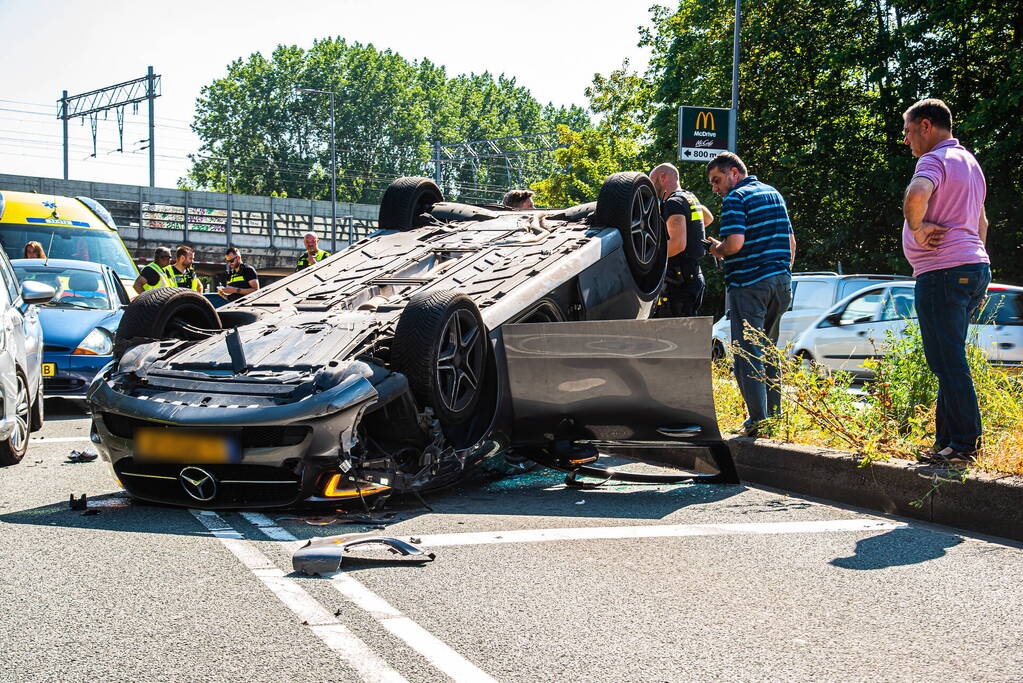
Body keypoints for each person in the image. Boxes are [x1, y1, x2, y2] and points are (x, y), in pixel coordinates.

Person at [901, 99, 991, 467]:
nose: (906, 141)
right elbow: (982, 222)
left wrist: (919, 230)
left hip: (943, 272)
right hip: (970, 266)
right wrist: (972, 258)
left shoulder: (933, 159)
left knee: (948, 361)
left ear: (926, 125)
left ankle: (966, 445)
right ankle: (946, 443)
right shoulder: (969, 162)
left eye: (907, 132)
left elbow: (916, 194)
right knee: (946, 359)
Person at [706, 152, 796, 437]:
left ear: (735, 173)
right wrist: (780, 270)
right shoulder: (773, 194)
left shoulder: (736, 198)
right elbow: (792, 242)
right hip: (781, 282)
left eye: (717, 180)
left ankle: (758, 421)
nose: (715, 188)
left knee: (747, 353)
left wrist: (716, 249)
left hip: (750, 284)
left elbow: (734, 244)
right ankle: (775, 417)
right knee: (769, 350)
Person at [649, 163, 715, 317]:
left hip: (679, 283)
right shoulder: (689, 197)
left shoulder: (673, 203)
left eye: (652, 181)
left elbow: (677, 245)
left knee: (674, 335)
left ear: (663, 177)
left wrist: (650, 260)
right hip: (693, 277)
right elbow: (708, 218)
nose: (651, 187)